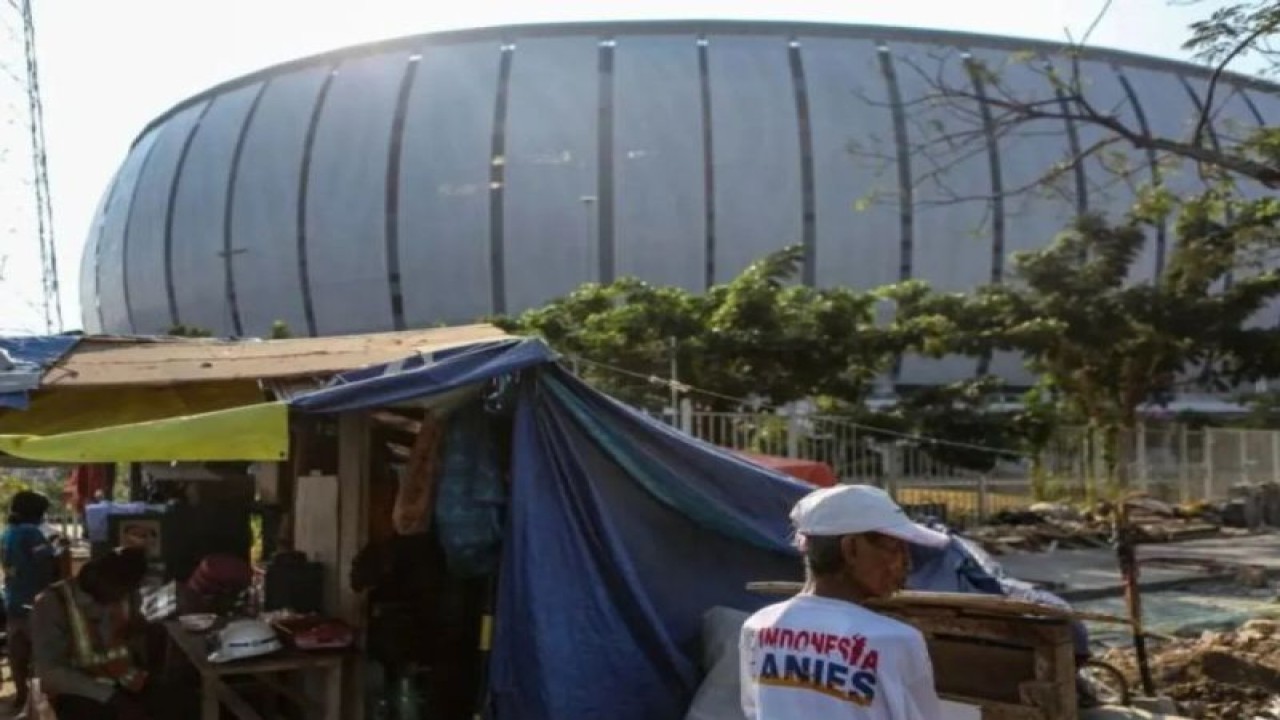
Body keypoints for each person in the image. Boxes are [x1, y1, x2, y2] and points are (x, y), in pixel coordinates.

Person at [739, 485, 950, 719]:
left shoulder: (758, 627)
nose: (907, 563)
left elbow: (753, 711)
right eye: (895, 548)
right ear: (851, 549)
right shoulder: (895, 640)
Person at [30, 546, 151, 720]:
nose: (122, 598)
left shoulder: (126, 594)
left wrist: (140, 633)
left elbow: (131, 640)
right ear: (96, 578)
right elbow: (49, 673)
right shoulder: (52, 603)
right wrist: (111, 697)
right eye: (121, 590)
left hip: (125, 683)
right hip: (77, 692)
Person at [2, 490, 63, 713]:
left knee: (17, 655)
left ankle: (20, 697)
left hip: (13, 601)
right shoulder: (32, 533)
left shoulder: (7, 533)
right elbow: (45, 563)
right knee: (40, 657)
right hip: (35, 603)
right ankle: (38, 705)